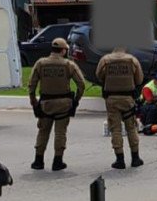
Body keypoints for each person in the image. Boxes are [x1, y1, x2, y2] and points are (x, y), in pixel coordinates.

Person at [28, 37, 85, 171]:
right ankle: (57, 161)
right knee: (60, 133)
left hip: (46, 104)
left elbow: (31, 85)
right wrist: (76, 100)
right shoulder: (68, 64)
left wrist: (34, 102)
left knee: (43, 131)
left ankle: (38, 160)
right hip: (64, 104)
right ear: (63, 50)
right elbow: (81, 84)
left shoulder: (40, 63)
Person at [97, 46, 145, 169]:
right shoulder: (132, 60)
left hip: (111, 99)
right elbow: (139, 80)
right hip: (128, 99)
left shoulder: (105, 60)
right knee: (131, 128)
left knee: (116, 130)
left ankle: (120, 159)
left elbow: (99, 76)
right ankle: (135, 158)